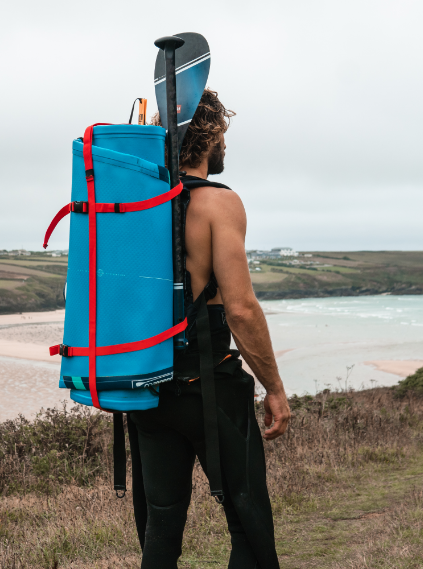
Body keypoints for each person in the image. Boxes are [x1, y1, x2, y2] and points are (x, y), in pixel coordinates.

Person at [127, 89, 291, 569]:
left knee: (161, 530)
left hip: (150, 387)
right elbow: (240, 309)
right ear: (211, 136)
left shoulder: (138, 203)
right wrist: (274, 389)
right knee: (247, 521)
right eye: (224, 137)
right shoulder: (220, 203)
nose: (226, 148)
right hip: (210, 384)